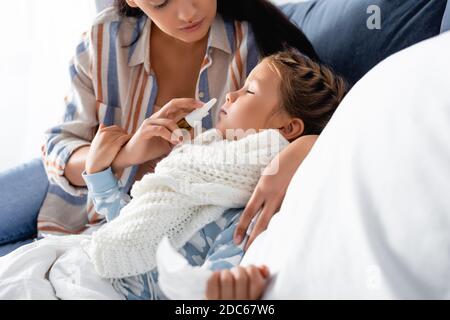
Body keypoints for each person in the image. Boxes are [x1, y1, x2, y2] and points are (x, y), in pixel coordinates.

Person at [0, 0, 321, 256]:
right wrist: (124, 155)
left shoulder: (259, 45)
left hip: (146, 229)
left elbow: (328, 119)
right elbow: (60, 146)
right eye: (161, 1)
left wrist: (303, 149)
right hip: (78, 204)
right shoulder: (104, 39)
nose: (187, 12)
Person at [78, 50, 348, 299]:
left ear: (288, 128)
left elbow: (205, 287)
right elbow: (129, 232)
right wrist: (101, 172)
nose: (231, 94)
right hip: (92, 268)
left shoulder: (252, 206)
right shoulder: (201, 162)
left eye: (249, 91)